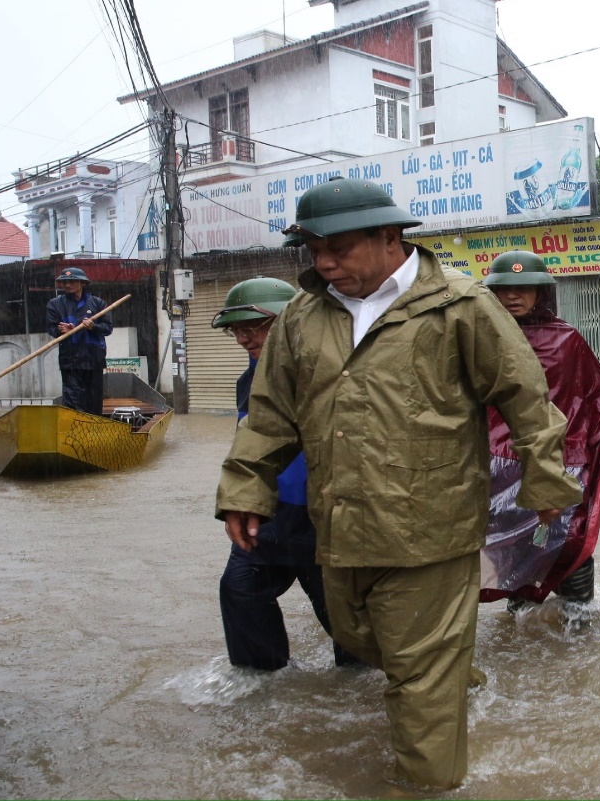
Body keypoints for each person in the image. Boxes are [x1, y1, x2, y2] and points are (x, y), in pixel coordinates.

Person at [215, 179, 580, 791]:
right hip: (341, 528)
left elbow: (525, 398)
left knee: (418, 684)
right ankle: (447, 667)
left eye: (338, 248)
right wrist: (245, 487)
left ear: (391, 237)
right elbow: (271, 412)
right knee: (364, 642)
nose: (324, 263)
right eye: (313, 251)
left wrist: (544, 481)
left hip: (431, 528)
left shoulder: (461, 308)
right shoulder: (304, 317)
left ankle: (426, 780)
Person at [211, 276, 354, 671]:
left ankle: (361, 696)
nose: (244, 338)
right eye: (237, 330)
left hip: (323, 519)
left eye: (254, 326)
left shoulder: (326, 372)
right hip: (270, 515)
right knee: (239, 590)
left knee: (350, 630)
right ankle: (263, 681)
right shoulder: (249, 378)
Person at [478, 250, 600, 613]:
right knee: (509, 548)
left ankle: (580, 619)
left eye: (525, 287)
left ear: (540, 292)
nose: (514, 296)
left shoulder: (567, 340)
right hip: (499, 467)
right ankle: (520, 614)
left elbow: (596, 395)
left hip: (563, 461)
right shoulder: (478, 340)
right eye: (505, 289)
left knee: (568, 540)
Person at [46, 267, 112, 415]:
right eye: (64, 282)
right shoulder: (55, 305)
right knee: (73, 403)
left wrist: (93, 326)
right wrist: (64, 330)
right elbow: (52, 329)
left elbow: (108, 328)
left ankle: (93, 434)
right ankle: (75, 434)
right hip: (71, 362)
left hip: (94, 360)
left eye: (72, 281)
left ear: (82, 283)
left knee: (94, 403)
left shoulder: (98, 303)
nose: (67, 285)